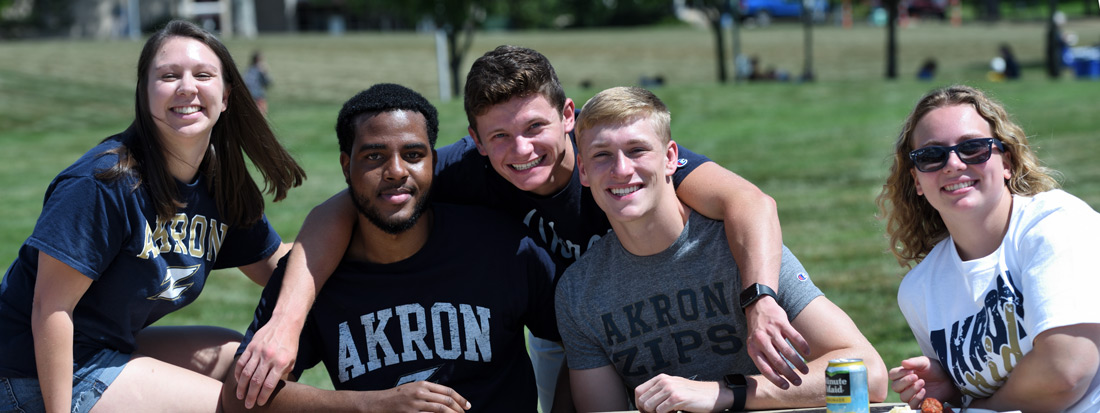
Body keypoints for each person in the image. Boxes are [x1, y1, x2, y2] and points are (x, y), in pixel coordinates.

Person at [234, 45, 801, 413]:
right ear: (476, 143)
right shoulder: (452, 168)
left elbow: (751, 203)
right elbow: (353, 204)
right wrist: (287, 320)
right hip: (574, 327)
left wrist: (760, 298)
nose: (522, 150)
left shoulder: (619, 164)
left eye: (535, 127)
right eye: (499, 136)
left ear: (570, 117)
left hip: (676, 313)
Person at [0, 20, 305, 413]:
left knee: (245, 364)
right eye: (168, 75)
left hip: (104, 346)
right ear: (144, 94)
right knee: (241, 407)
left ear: (226, 95)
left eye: (203, 74)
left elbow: (277, 266)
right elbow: (50, 311)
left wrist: (349, 227)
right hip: (30, 372)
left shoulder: (218, 183)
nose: (187, 87)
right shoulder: (104, 182)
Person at [220, 83, 559, 412]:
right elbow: (239, 398)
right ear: (345, 166)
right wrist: (371, 405)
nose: (396, 171)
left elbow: (577, 344)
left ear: (433, 163)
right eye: (374, 156)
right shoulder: (310, 276)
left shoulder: (504, 248)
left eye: (413, 155)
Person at [557, 86, 887, 412]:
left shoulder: (740, 248)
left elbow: (869, 372)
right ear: (583, 171)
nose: (621, 169)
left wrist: (726, 393)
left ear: (671, 157)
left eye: (637, 150)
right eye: (601, 155)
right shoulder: (579, 291)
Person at [879, 85, 1100, 412]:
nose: (953, 164)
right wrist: (952, 393)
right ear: (916, 181)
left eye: (973, 148)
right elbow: (978, 396)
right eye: (931, 155)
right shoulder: (919, 290)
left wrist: (979, 407)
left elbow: (1064, 372)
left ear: (1006, 162)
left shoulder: (1055, 224)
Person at [244, 50, 272, 115]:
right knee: (260, 117)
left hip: (252, 97)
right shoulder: (259, 71)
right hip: (258, 97)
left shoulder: (249, 70)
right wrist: (265, 72)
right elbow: (269, 82)